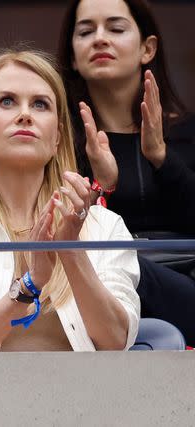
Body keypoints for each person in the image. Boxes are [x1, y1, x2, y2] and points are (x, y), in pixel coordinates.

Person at [0, 50, 140, 352]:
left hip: (88, 398)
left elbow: (116, 341)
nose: (25, 114)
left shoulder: (106, 227)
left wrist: (71, 250)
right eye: (6, 101)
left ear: (57, 138)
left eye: (40, 104)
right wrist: (29, 286)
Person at [58, 0, 195, 345]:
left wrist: (162, 158)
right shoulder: (58, 140)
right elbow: (55, 231)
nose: (100, 39)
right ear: (73, 56)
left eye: (116, 29)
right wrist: (104, 187)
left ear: (147, 48)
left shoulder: (188, 131)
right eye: (86, 31)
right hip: (105, 290)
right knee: (120, 262)